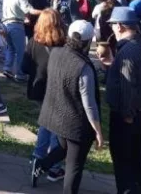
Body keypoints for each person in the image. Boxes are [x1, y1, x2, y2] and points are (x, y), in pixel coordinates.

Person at [33, 20, 103, 192]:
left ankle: (40, 165)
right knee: (74, 166)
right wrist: (98, 131)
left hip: (56, 116)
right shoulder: (84, 67)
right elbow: (89, 104)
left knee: (63, 147)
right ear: (88, 42)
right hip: (76, 125)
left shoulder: (56, 53)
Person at [98, 7, 141, 194]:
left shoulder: (127, 51)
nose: (112, 28)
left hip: (127, 117)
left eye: (113, 25)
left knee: (123, 162)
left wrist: (126, 114)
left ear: (121, 26)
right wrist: (112, 67)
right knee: (138, 158)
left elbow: (127, 85)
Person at [21, 9, 66, 183]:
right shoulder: (63, 44)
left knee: (44, 122)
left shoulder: (34, 41)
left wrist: (37, 71)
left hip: (39, 89)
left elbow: (24, 67)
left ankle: (37, 156)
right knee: (56, 127)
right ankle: (53, 167)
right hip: (57, 89)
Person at [2, 0, 42, 82]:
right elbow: (30, 10)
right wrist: (44, 12)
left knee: (10, 48)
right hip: (16, 25)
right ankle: (20, 74)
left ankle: (7, 68)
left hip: (5, 24)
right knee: (21, 51)